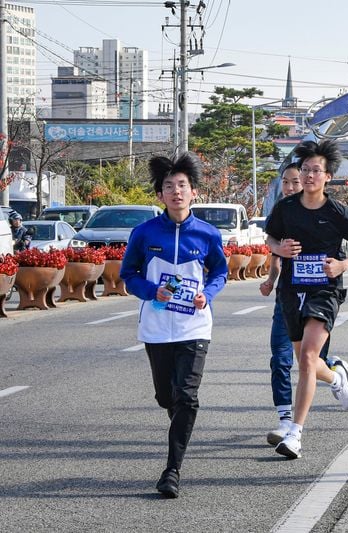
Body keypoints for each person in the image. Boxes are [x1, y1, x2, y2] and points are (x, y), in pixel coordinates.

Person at [120, 152, 228, 499]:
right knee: (166, 396)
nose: (176, 192)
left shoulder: (208, 234)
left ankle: (171, 471)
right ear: (160, 195)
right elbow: (128, 276)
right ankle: (179, 424)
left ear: (194, 192)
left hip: (194, 327)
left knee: (187, 397)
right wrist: (153, 291)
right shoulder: (144, 233)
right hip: (155, 325)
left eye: (182, 185)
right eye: (169, 186)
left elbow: (221, 272)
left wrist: (207, 295)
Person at [266, 139, 348, 460]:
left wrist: (342, 264)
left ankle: (295, 433)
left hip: (325, 290)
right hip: (291, 290)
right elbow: (270, 237)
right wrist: (278, 250)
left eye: (316, 171)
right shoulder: (286, 207)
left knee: (308, 357)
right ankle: (337, 377)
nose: (309, 175)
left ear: (328, 177)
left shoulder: (337, 212)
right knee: (307, 361)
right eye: (306, 169)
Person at [259, 163, 331, 446]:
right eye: (286, 182)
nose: (290, 187)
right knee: (280, 357)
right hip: (287, 297)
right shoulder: (282, 211)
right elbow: (275, 248)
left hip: (317, 298)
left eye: (294, 181)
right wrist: (271, 280)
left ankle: (337, 377)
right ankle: (286, 420)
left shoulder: (323, 212)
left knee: (313, 360)